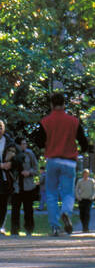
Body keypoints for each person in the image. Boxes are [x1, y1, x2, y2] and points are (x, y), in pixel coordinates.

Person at [34, 92, 91, 237]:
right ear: (64, 104)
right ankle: (66, 211)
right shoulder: (74, 121)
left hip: (52, 160)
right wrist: (81, 150)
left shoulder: (46, 121)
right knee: (68, 193)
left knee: (51, 193)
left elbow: (39, 141)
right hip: (69, 161)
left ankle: (54, 226)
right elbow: (83, 142)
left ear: (51, 105)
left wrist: (47, 143)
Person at [9, 137, 39, 237]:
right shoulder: (12, 154)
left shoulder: (29, 154)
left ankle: (29, 229)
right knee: (15, 209)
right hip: (17, 186)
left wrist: (29, 172)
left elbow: (36, 168)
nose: (24, 146)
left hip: (28, 186)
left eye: (25, 144)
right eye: (22, 144)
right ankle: (14, 230)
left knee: (28, 209)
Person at [75, 167, 94, 233]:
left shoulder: (91, 181)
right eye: (84, 173)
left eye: (87, 173)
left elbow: (94, 190)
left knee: (87, 213)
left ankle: (86, 227)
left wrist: (92, 197)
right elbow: (76, 189)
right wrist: (78, 197)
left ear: (88, 174)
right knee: (82, 214)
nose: (85, 174)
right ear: (83, 174)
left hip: (89, 199)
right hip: (81, 199)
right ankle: (83, 226)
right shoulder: (80, 181)